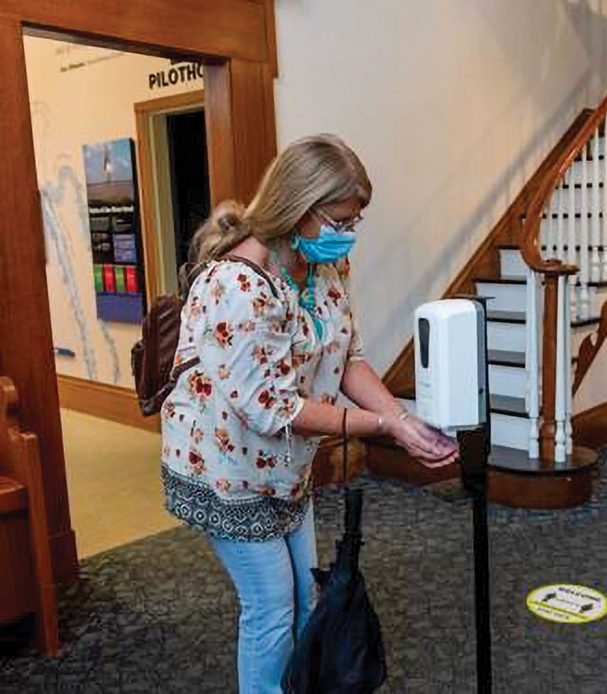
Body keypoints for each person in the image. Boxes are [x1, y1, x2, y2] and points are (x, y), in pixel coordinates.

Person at [159, 134, 457, 693]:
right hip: (226, 471)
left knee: (307, 599)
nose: (348, 235)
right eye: (340, 219)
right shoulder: (235, 285)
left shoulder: (325, 270)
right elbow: (272, 406)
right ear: (298, 208)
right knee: (270, 609)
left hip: (283, 470)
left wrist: (401, 415)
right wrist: (384, 427)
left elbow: (349, 358)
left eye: (356, 221)